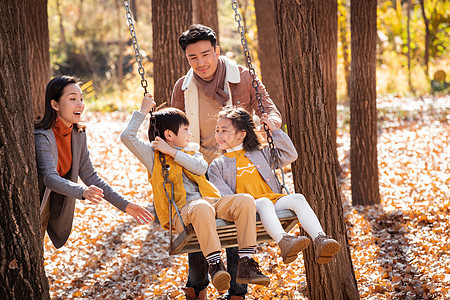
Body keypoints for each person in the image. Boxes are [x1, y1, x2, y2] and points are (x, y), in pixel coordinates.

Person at [171, 24, 282, 300]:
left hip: (234, 164)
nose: (201, 63)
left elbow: (267, 107)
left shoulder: (241, 77)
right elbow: (171, 131)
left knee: (236, 227)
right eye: (193, 58)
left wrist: (272, 122)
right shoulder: (182, 89)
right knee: (199, 228)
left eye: (206, 54)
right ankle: (197, 289)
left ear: (217, 51)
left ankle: (237, 293)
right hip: (198, 171)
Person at [120, 95, 271, 293]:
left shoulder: (192, 152)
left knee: (245, 201)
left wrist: (174, 153)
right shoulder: (153, 156)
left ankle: (246, 262)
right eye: (185, 130)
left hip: (211, 202)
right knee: (201, 207)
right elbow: (127, 137)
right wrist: (142, 111)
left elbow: (200, 169)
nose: (190, 134)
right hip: (182, 212)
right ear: (169, 134)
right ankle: (216, 266)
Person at [208, 107, 341, 265]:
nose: (219, 135)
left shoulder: (260, 153)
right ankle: (284, 241)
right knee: (263, 203)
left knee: (298, 198)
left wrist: (274, 130)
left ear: (242, 134)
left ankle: (320, 239)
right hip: (249, 208)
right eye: (217, 130)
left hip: (273, 201)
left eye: (224, 130)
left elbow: (290, 154)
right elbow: (226, 198)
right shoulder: (217, 165)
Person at [35, 76, 153, 249]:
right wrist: (82, 191)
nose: (80, 104)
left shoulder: (78, 135)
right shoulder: (42, 137)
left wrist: (126, 206)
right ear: (55, 105)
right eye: (73, 99)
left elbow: (91, 176)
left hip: (55, 204)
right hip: (34, 205)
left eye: (81, 99)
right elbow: (49, 177)